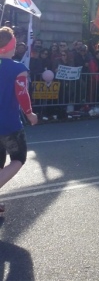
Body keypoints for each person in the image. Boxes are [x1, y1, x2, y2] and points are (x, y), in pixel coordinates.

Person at [0, 27, 38, 216]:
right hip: (9, 125)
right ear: (11, 47)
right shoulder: (18, 68)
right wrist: (30, 114)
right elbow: (22, 93)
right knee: (18, 158)